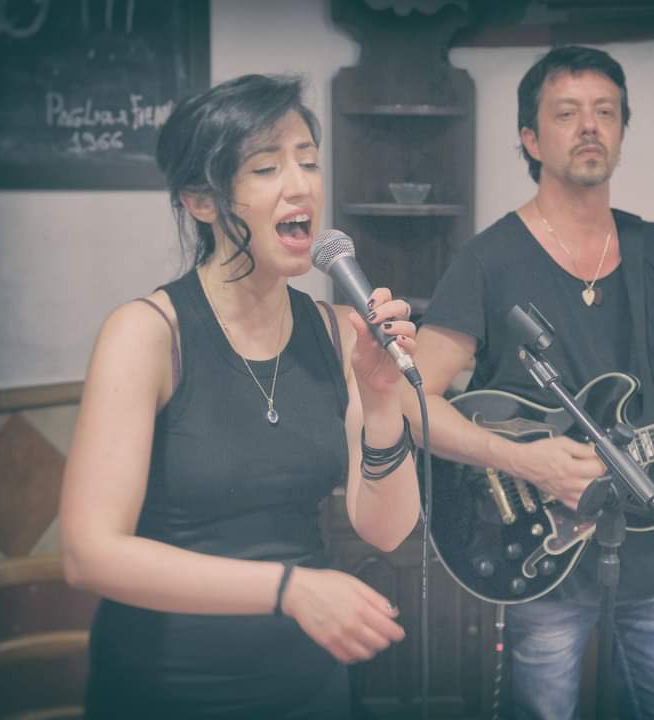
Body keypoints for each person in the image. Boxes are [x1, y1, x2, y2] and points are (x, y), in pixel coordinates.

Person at [405, 46, 654, 719]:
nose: (589, 126)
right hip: (535, 557)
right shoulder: (488, 260)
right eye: (567, 113)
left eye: (605, 112)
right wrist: (523, 461)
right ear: (530, 138)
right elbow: (414, 404)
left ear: (621, 132)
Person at [59, 74, 421, 718]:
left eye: (308, 161)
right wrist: (288, 589)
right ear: (202, 200)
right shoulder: (147, 333)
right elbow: (89, 554)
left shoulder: (336, 331)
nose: (300, 184)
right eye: (266, 167)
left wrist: (382, 401)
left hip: (307, 682)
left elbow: (386, 531)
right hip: (169, 686)